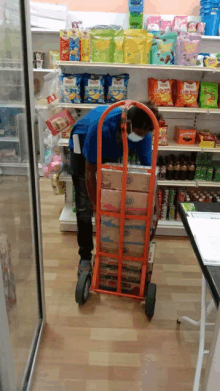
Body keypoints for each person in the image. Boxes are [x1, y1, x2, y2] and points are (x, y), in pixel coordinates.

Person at [69, 101, 162, 278]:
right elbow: (90, 171)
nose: (141, 137)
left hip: (111, 148)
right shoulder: (102, 128)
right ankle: (85, 257)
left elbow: (148, 173)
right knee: (84, 206)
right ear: (127, 124)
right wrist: (97, 206)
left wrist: (155, 202)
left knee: (114, 197)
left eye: (145, 134)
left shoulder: (143, 133)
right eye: (138, 133)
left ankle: (115, 250)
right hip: (82, 146)